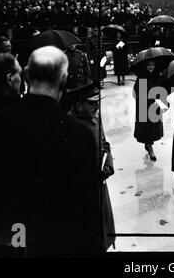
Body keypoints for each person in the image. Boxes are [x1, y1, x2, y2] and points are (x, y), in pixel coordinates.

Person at [0, 46, 103, 256]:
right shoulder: (78, 134)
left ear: (27, 75)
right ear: (64, 79)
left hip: (10, 238)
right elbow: (87, 212)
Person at [68, 83, 116, 251]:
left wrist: (108, 165)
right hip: (81, 193)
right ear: (79, 105)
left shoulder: (96, 118)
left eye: (98, 102)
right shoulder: (66, 126)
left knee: (103, 231)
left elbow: (105, 145)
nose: (97, 106)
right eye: (92, 103)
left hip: (100, 188)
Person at [133, 60, 166, 161]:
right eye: (149, 65)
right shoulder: (141, 78)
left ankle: (149, 144)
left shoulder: (157, 76)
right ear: (145, 66)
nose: (151, 67)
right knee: (146, 128)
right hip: (144, 106)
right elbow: (136, 93)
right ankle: (150, 147)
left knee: (153, 127)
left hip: (154, 106)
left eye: (153, 65)